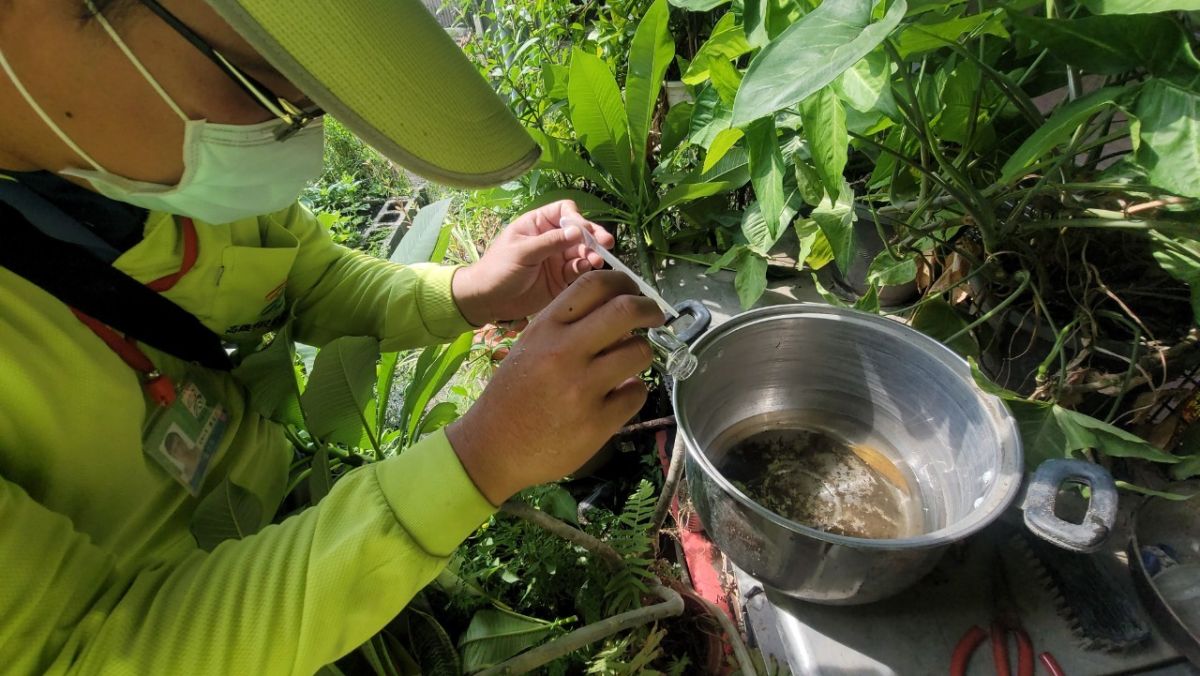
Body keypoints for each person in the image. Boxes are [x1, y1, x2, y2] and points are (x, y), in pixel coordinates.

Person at [0, 1, 664, 673]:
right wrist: (483, 458)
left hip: (292, 527)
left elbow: (306, 280)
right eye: (260, 82)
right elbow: (86, 650)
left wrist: (475, 290)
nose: (293, 143)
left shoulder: (147, 168)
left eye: (312, 106)